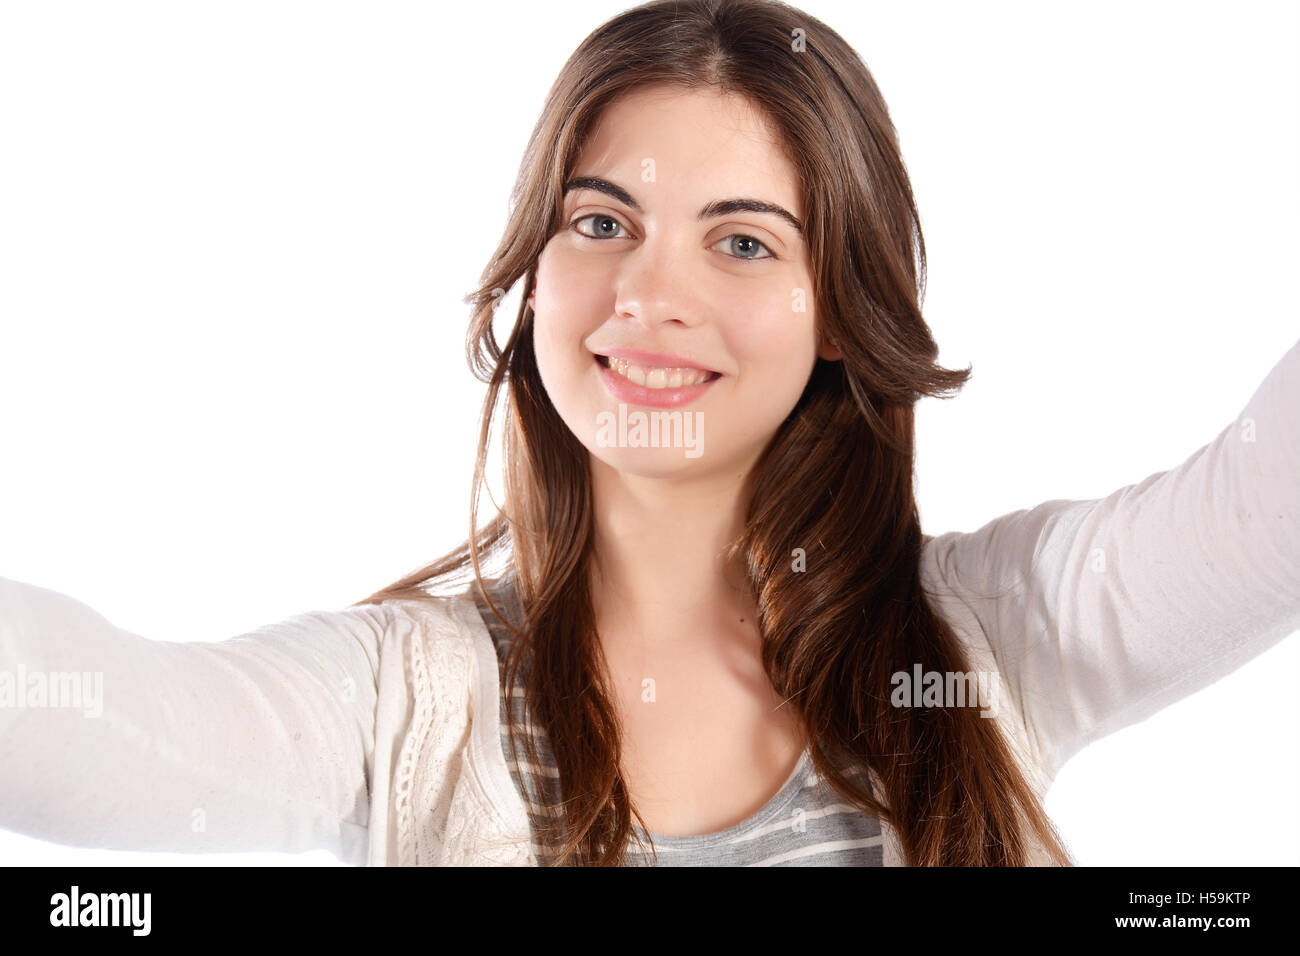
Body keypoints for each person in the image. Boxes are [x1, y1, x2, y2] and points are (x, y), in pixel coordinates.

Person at [2, 0, 1296, 866]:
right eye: (601, 223)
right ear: (535, 272)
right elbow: (99, 714)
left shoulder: (992, 640)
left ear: (841, 311)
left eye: (744, 242)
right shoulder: (406, 703)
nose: (648, 295)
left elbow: (1268, 507)